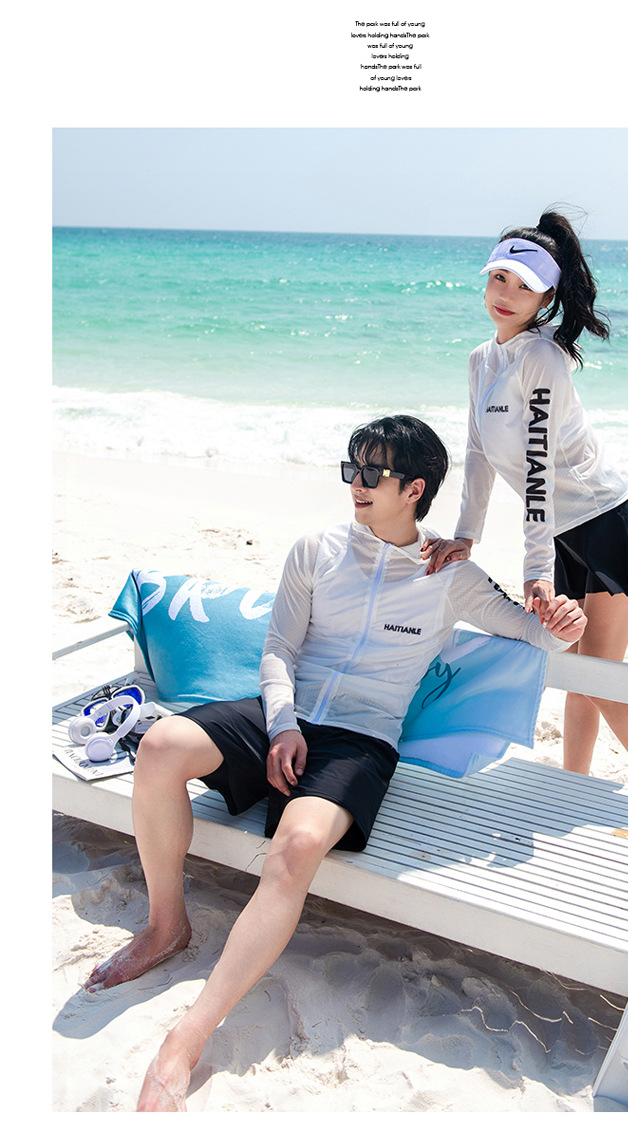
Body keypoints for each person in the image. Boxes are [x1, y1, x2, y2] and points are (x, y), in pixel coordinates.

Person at [83, 414, 586, 1111]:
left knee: (296, 848)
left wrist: (564, 624)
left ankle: (187, 1038)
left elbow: (535, 633)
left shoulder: (450, 575)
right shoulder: (316, 550)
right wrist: (283, 724)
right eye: (352, 468)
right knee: (161, 746)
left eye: (373, 471)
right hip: (283, 715)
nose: (356, 482)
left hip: (360, 739)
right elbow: (279, 650)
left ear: (415, 488)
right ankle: (166, 925)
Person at [421, 209, 628, 797]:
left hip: (608, 523)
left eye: (524, 286)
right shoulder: (481, 360)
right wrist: (466, 534)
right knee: (575, 666)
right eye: (499, 279)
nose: (506, 295)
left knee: (597, 670)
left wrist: (535, 569)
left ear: (546, 297)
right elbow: (477, 451)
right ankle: (575, 780)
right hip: (560, 532)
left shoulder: (542, 359)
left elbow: (537, 467)